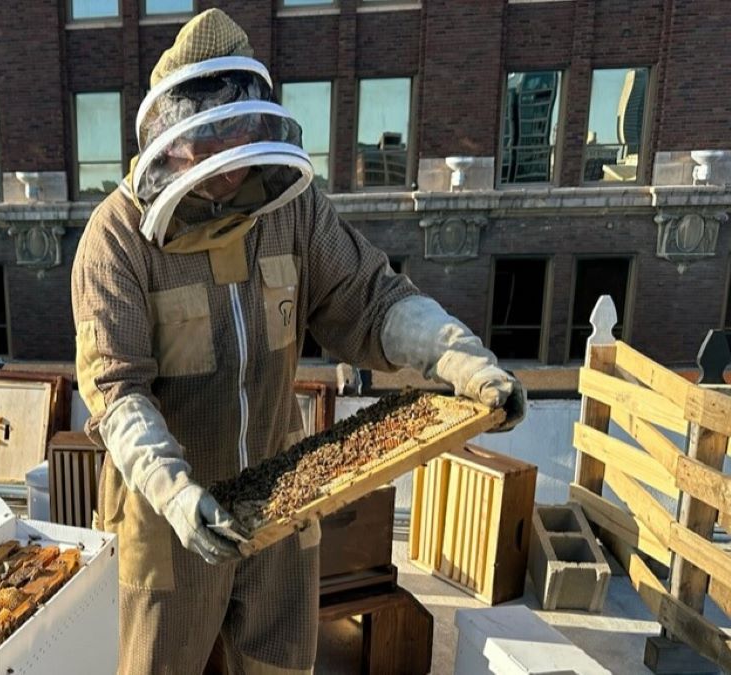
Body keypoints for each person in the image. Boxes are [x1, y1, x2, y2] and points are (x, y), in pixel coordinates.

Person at [71, 9, 525, 674]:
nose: (233, 157)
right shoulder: (116, 240)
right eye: (215, 136)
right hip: (171, 520)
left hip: (282, 501)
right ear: (173, 138)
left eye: (244, 128)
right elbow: (116, 391)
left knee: (281, 665)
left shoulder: (291, 209)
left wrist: (459, 355)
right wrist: (175, 493)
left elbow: (370, 297)